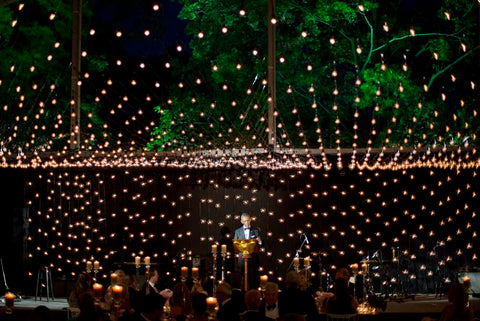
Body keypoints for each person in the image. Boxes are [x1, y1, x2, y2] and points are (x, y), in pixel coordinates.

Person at [234, 213, 262, 289]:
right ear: (241, 221)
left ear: (250, 220)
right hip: (242, 258)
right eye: (245, 221)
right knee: (242, 276)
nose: (247, 222)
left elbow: (260, 245)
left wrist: (259, 242)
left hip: (253, 258)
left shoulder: (256, 230)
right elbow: (235, 244)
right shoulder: (237, 231)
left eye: (248, 220)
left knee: (253, 277)